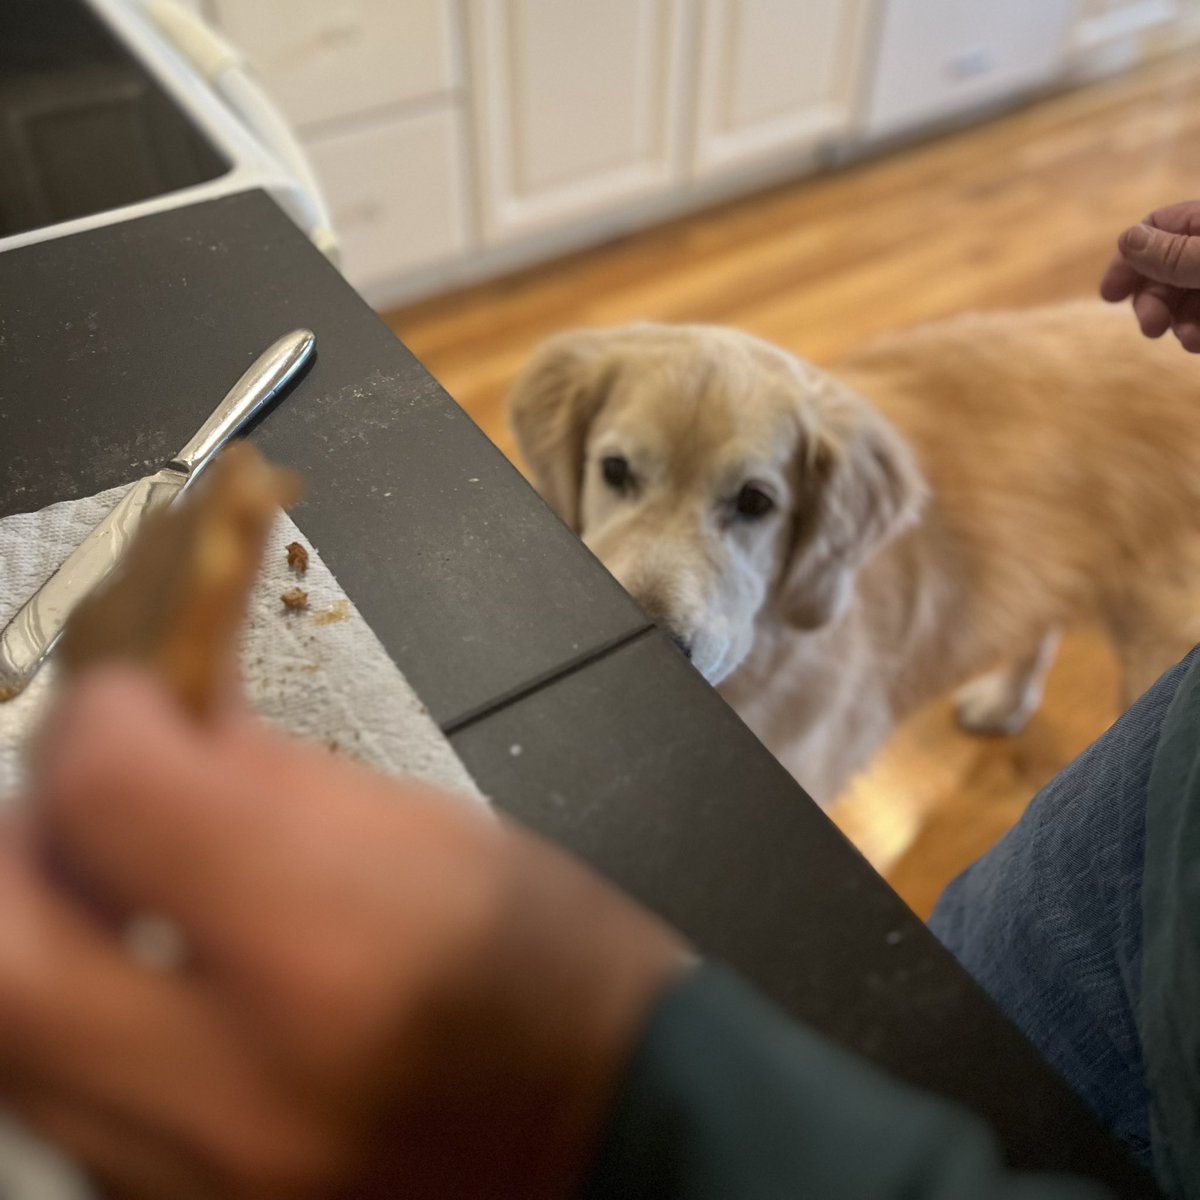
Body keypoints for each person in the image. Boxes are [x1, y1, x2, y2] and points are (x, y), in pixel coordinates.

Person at [0, 204, 1197, 1200]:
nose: (653, 596)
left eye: (748, 507)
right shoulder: (579, 407)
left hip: (1165, 473)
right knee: (988, 1002)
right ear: (574, 453)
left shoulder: (840, 528)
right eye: (622, 477)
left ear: (819, 525)